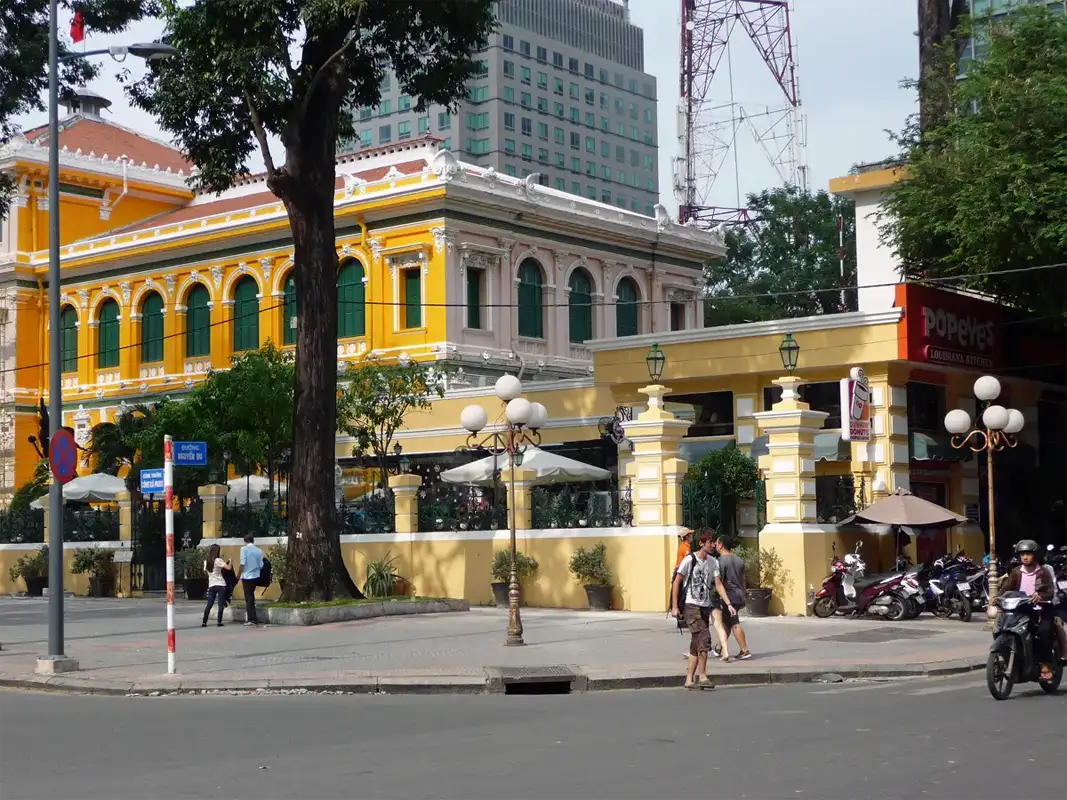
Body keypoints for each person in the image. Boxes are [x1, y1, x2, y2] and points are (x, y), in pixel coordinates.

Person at [671, 532, 734, 690]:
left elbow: (718, 585)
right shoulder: (689, 560)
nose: (712, 545)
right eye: (709, 543)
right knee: (704, 637)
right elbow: (676, 582)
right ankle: (703, 676)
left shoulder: (713, 562)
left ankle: (689, 679)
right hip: (691, 606)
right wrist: (675, 606)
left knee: (696, 644)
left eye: (713, 543)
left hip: (705, 606)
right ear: (701, 543)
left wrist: (729, 604)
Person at [1001, 539, 1055, 680]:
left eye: (1028, 554)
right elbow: (1006, 589)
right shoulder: (1016, 572)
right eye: (1022, 554)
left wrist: (1040, 596)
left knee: (1044, 632)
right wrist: (996, 598)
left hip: (1041, 609)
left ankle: (1045, 665)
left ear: (1035, 555)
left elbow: (1050, 591)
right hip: (1022, 610)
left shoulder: (1043, 572)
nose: (1025, 557)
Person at [716, 535, 753, 660]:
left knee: (734, 623)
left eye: (716, 543)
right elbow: (743, 580)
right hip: (739, 594)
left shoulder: (720, 561)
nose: (715, 545)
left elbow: (718, 581)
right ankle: (718, 648)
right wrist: (744, 596)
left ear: (720, 544)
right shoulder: (739, 560)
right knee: (727, 623)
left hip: (728, 596)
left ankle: (745, 650)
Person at [201, 543, 233, 628]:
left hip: (212, 584)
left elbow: (205, 572)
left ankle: (204, 622)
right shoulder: (218, 560)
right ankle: (219, 622)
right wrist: (230, 562)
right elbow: (228, 568)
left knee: (209, 604)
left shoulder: (206, 562)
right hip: (221, 584)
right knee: (220, 604)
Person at [237, 534, 265, 627]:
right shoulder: (259, 551)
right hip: (256, 576)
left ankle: (251, 619)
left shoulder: (243, 549)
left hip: (247, 576)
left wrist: (238, 574)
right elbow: (261, 565)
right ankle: (253, 617)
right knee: (251, 596)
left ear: (245, 541)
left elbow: (242, 563)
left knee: (248, 598)